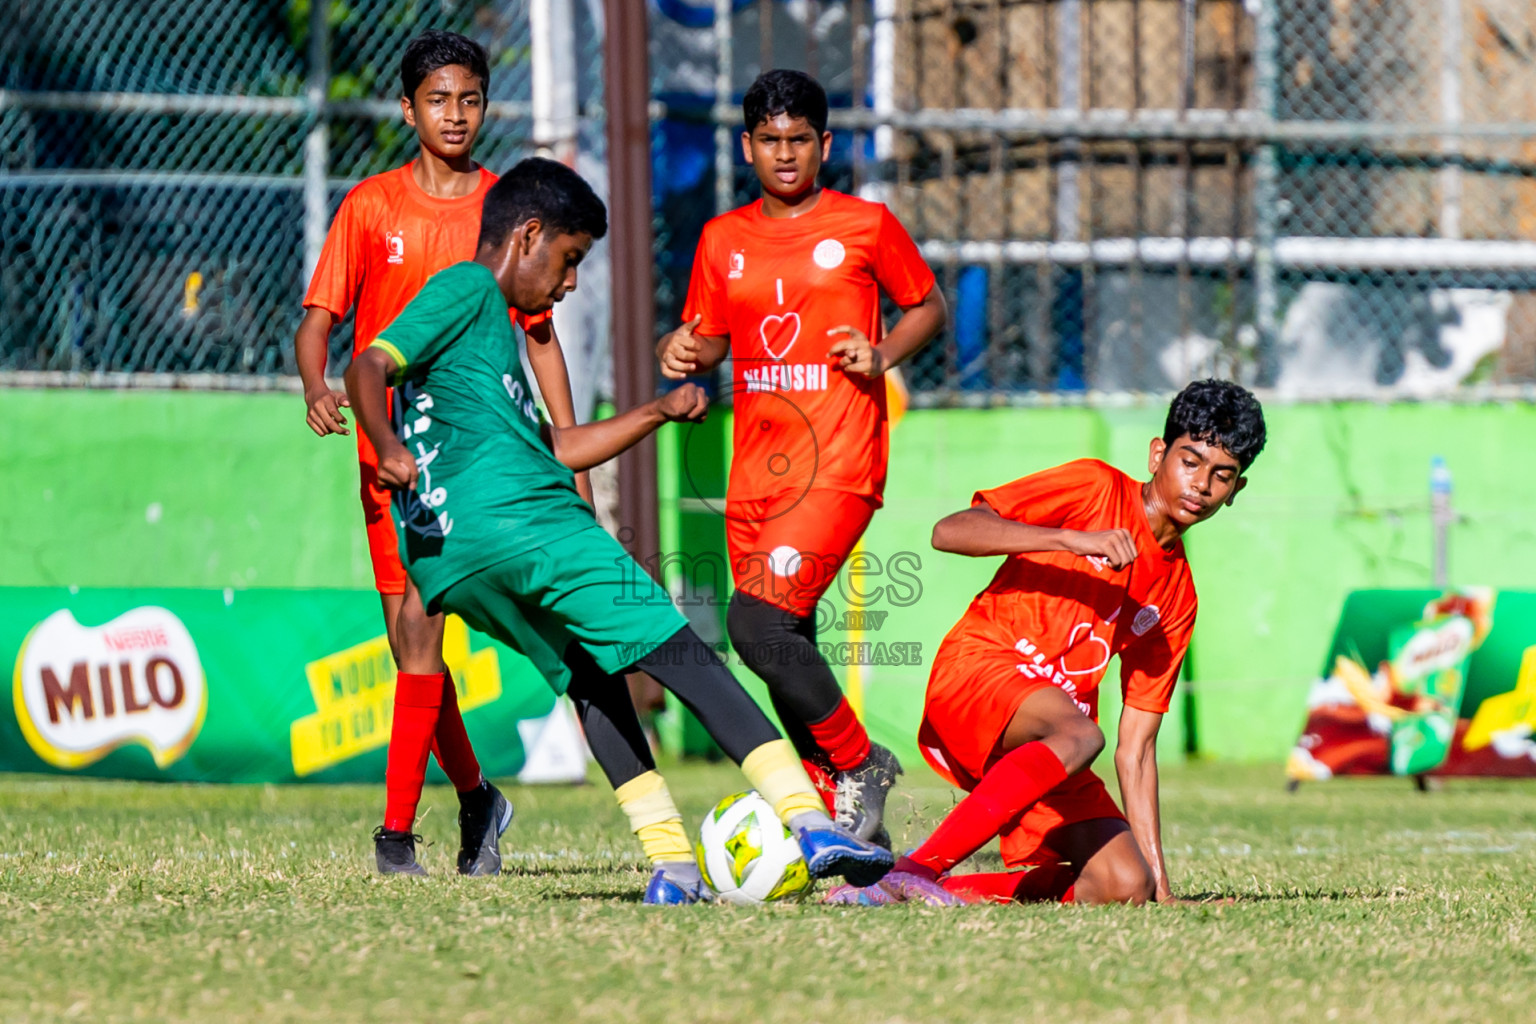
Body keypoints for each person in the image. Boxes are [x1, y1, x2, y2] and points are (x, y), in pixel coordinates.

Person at [345, 157, 895, 904]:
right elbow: (368, 365)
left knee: (594, 684)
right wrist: (385, 445)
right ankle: (811, 822)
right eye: (568, 261)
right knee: (686, 654)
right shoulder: (467, 287)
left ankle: (670, 866)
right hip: (530, 528)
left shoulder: (485, 345)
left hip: (460, 563)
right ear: (528, 235)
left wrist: (654, 412)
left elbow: (549, 451)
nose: (568, 283)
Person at [294, 31, 591, 876]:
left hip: (468, 456)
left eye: (469, 99)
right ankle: (476, 801)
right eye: (438, 99)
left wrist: (570, 458)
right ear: (407, 109)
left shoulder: (503, 212)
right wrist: (318, 386)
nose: (454, 115)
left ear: (485, 107)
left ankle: (393, 840)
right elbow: (319, 321)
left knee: (420, 632)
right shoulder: (370, 207)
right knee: (408, 641)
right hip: (387, 454)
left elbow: (541, 338)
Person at [828, 380, 1266, 906]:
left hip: (1054, 742)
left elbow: (1138, 748)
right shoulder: (1094, 488)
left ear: (1236, 491)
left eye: (1221, 476)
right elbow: (950, 531)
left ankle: (917, 893)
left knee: (1124, 884)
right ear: (1157, 454)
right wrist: (1069, 539)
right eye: (1190, 462)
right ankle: (916, 868)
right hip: (979, 672)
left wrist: (1163, 892)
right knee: (1082, 735)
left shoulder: (1177, 597)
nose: (1201, 485)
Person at [655, 69, 948, 844]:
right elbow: (714, 338)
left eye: (800, 141)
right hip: (755, 470)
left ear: (824, 144)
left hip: (840, 461)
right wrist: (683, 346)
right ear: (748, 146)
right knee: (786, 646)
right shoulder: (722, 240)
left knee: (755, 625)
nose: (785, 156)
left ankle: (861, 767)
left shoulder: (865, 225)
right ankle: (848, 831)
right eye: (770, 142)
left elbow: (929, 305)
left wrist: (881, 353)